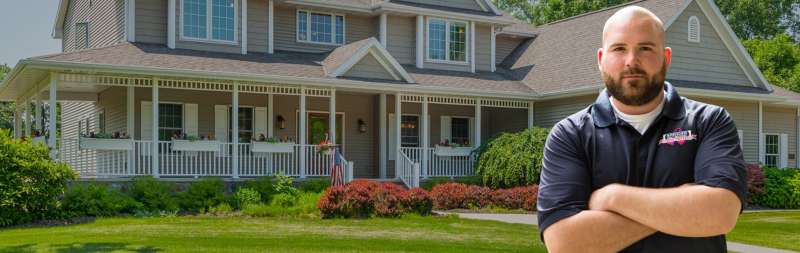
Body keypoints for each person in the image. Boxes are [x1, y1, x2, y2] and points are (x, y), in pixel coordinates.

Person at [536, 6, 747, 253]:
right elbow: (564, 244)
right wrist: (682, 209)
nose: (631, 61)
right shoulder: (571, 134)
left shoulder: (709, 121)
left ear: (666, 58)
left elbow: (720, 213)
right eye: (619, 48)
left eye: (645, 48)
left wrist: (613, 197)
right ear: (601, 59)